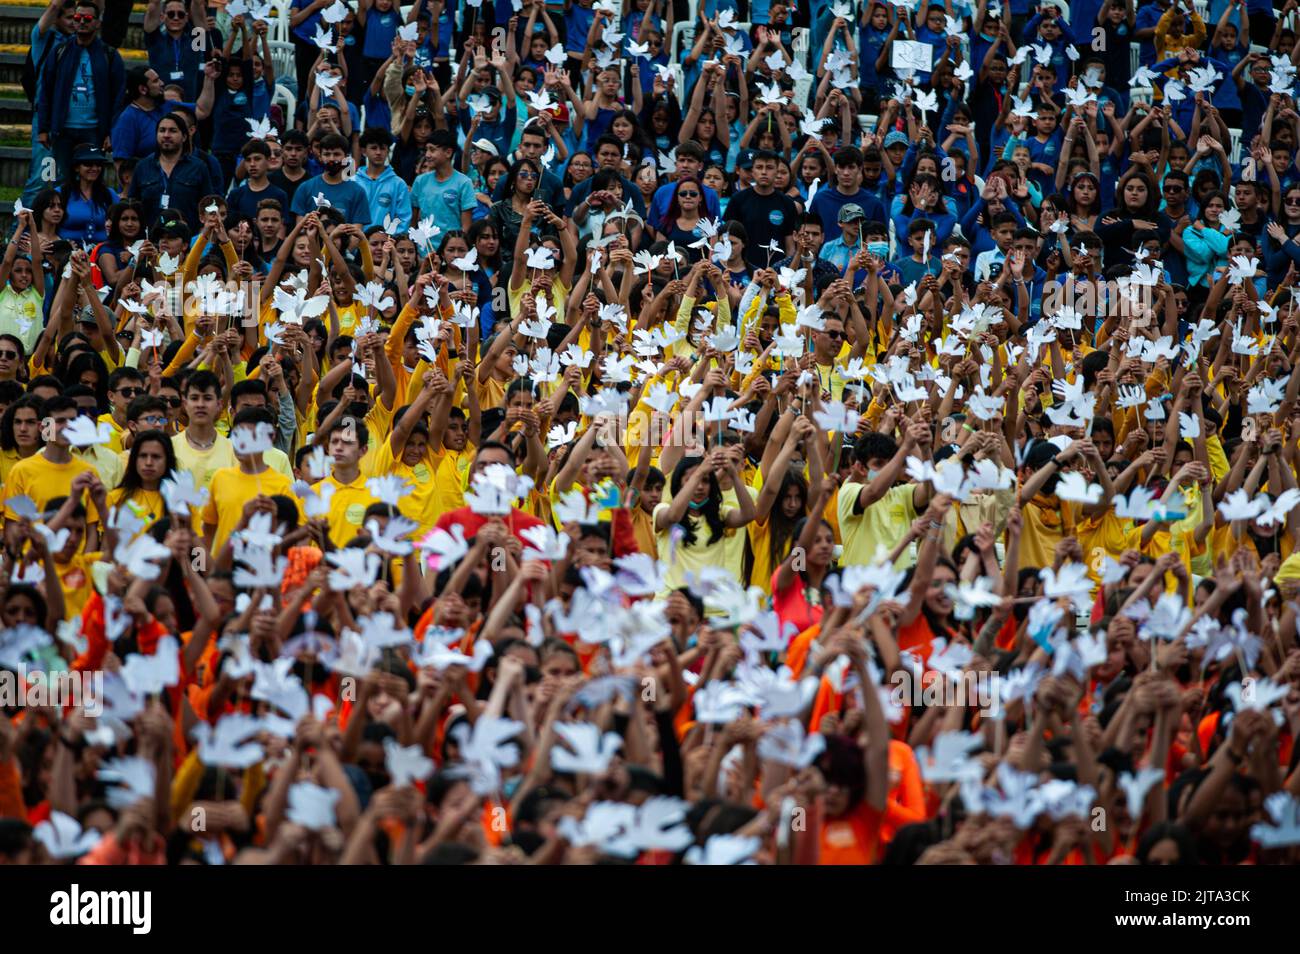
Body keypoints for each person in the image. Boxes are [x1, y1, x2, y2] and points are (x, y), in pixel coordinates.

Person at [36, 0, 125, 181]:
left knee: (92, 181)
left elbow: (119, 97)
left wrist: (112, 132)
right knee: (62, 181)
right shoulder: (59, 51)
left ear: (98, 23)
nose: (82, 21)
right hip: (63, 131)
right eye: (77, 17)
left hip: (94, 131)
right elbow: (46, 91)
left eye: (88, 18)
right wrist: (43, 128)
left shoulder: (110, 55)